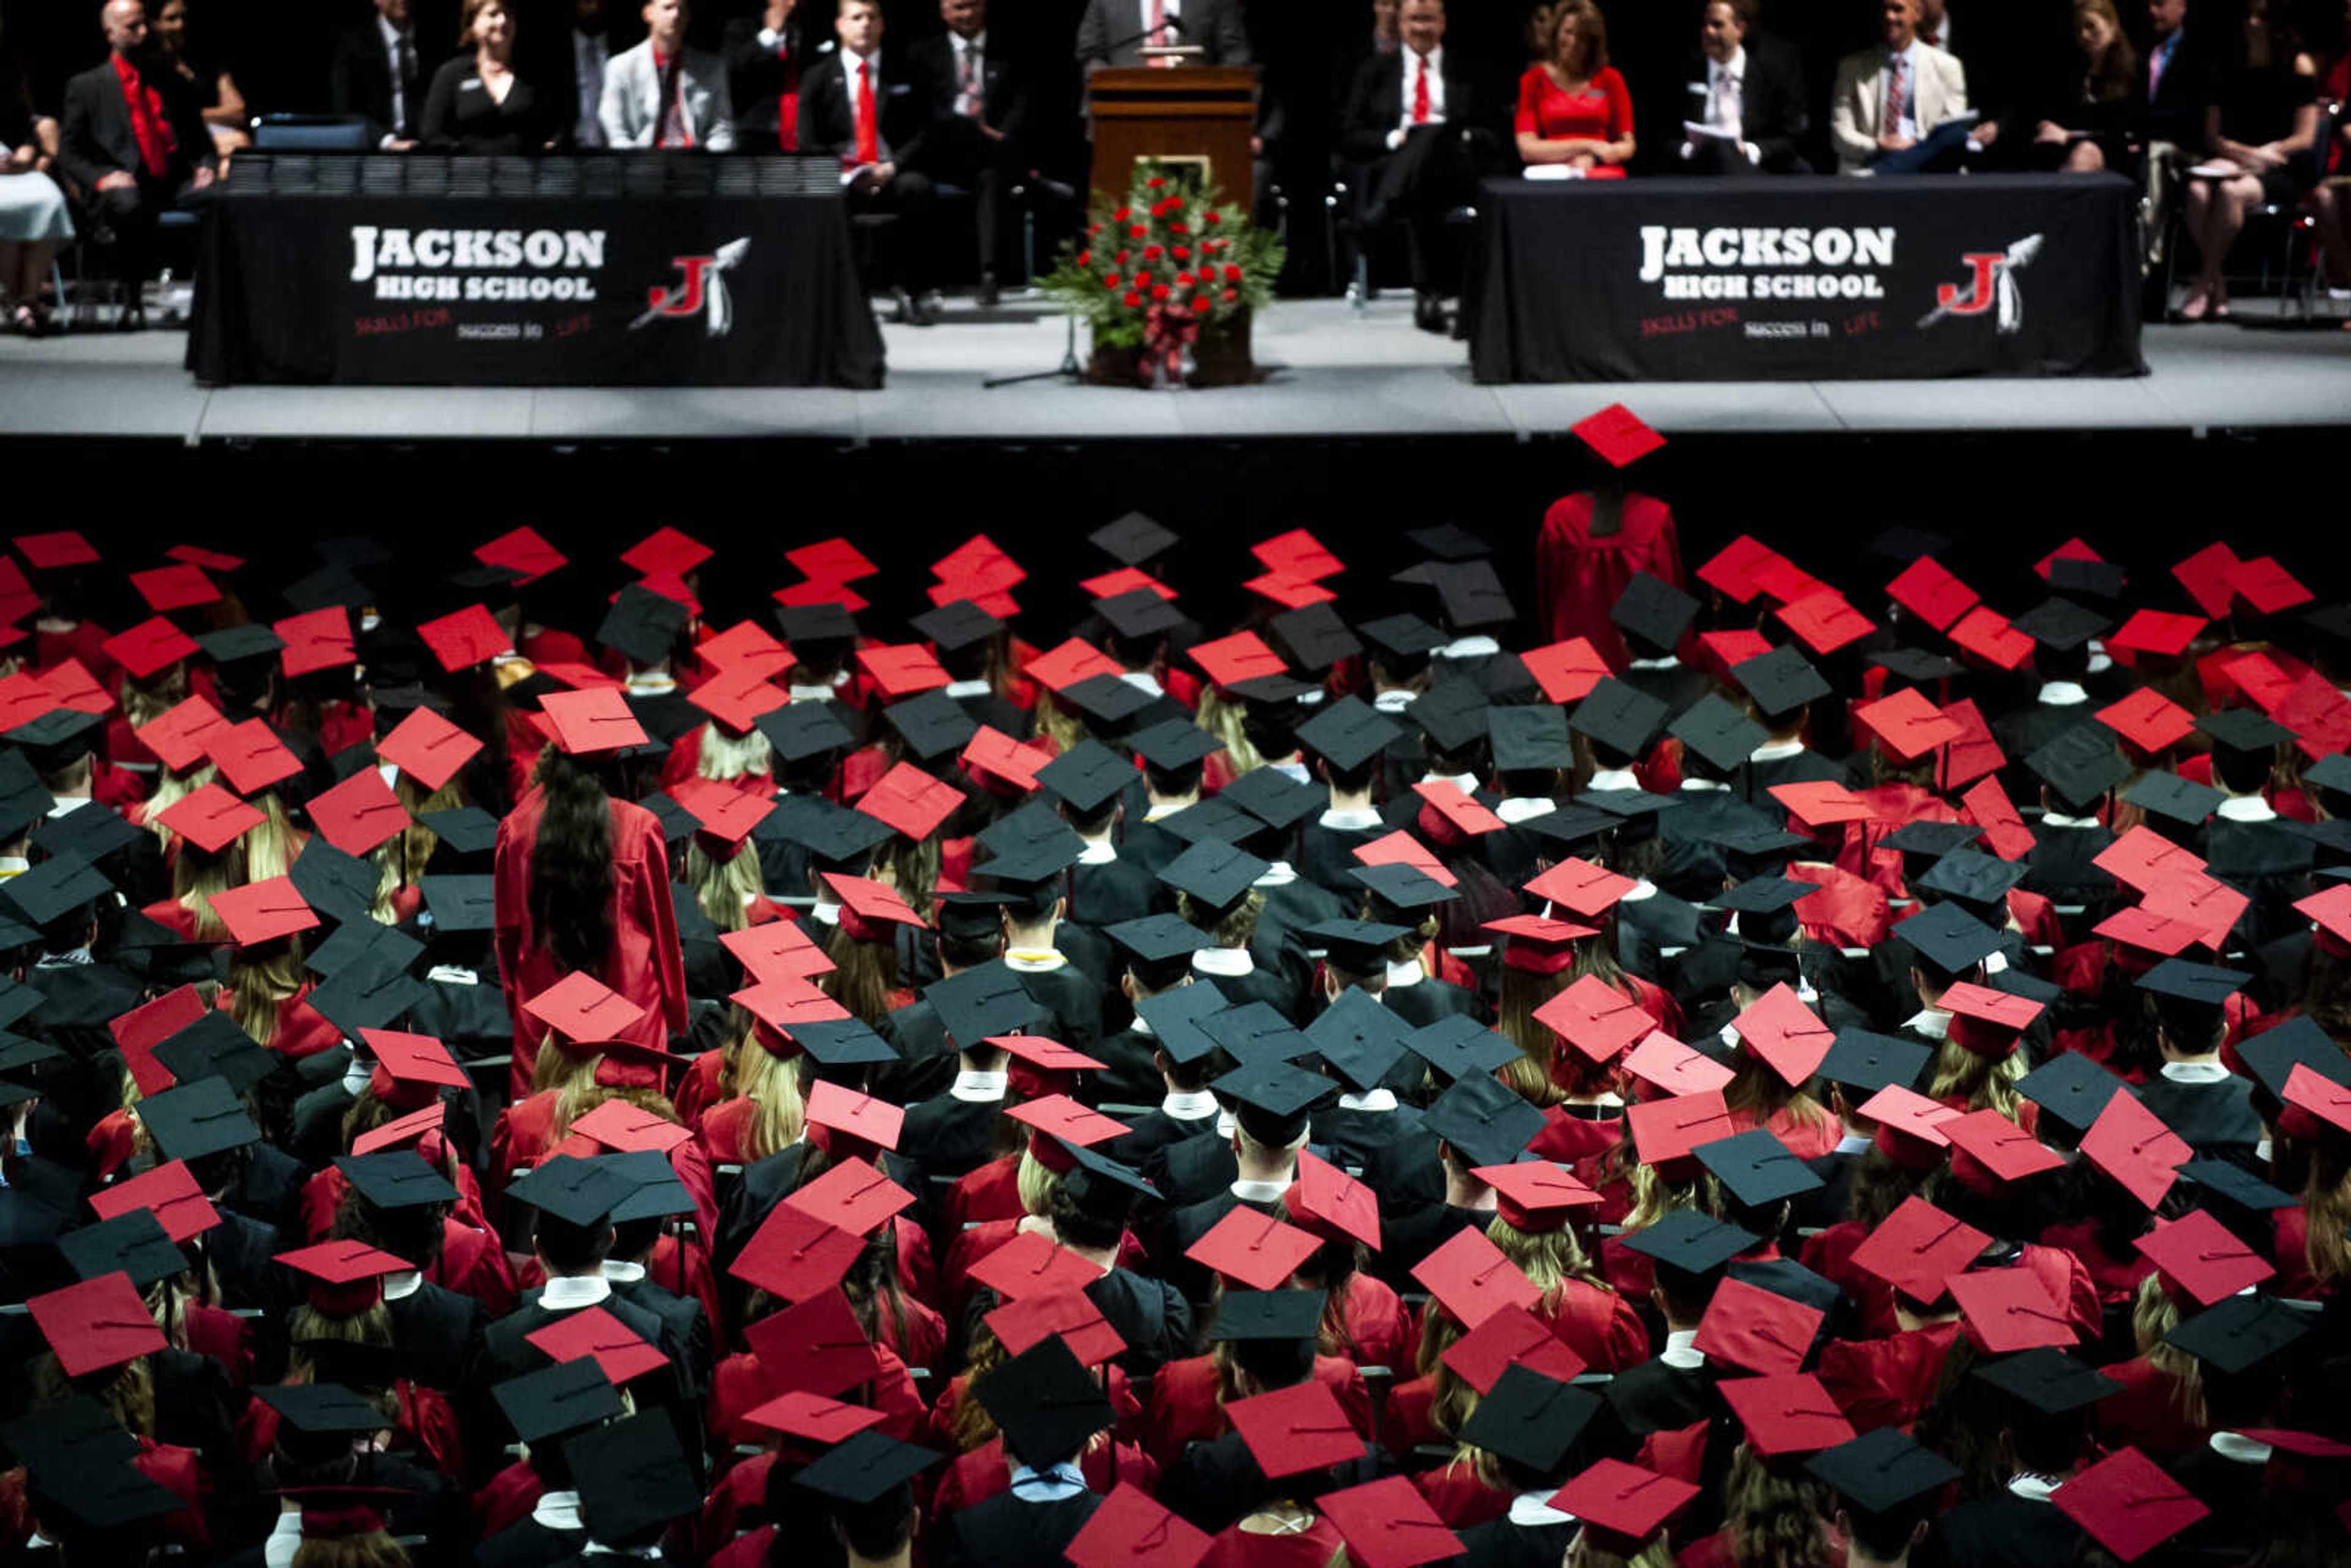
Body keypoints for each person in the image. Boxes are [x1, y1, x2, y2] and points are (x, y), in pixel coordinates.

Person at [57, 0, 216, 327]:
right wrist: (102, 179)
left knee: (222, 197)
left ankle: (216, 299)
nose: (144, 33)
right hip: (124, 183)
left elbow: (201, 143)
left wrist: (206, 166)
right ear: (110, 33)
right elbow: (69, 152)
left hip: (172, 181)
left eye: (145, 24)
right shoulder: (88, 86)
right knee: (128, 203)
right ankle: (132, 297)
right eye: (132, 27)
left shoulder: (172, 81)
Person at [1339, 0, 1494, 334]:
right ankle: (1432, 294)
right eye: (1413, 20)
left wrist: (1453, 135)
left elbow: (1493, 131)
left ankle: (1383, 209)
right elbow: (1350, 134)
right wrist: (1395, 139)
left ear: (1443, 22)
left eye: (1428, 19)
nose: (1421, 28)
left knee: (1434, 135)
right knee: (1423, 187)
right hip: (1398, 166)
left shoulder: (1465, 70)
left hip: (1457, 167)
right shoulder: (1375, 71)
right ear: (1401, 23)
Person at [2176, 0, 2318, 320]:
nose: (2253, 24)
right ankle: (2218, 282)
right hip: (2236, 155)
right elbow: (2214, 138)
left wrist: (2268, 153)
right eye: (2249, 16)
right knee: (2199, 189)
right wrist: (2246, 155)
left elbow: (2305, 137)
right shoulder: (2224, 65)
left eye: (2261, 17)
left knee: (2229, 193)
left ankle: (2204, 282)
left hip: (2282, 163)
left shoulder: (2298, 65)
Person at [800, 0, 936, 323]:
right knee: (819, 197)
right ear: (840, 25)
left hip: (890, 170)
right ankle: (836, 297)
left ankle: (914, 292)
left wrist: (891, 167)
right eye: (856, 17)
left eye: (871, 17)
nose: (864, 24)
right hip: (842, 176)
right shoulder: (818, 77)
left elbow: (924, 131)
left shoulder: (905, 72)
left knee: (918, 188)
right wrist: (849, 173)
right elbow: (808, 142)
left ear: (882, 25)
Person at [907, 0, 1029, 306]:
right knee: (915, 183)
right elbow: (917, 111)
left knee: (990, 176)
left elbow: (1023, 101)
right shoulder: (921, 55)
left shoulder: (1009, 50)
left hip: (992, 151)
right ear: (944, 12)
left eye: (973, 5)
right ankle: (924, 280)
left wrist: (1004, 134)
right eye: (959, 7)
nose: (967, 14)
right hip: (937, 152)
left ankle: (989, 274)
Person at [1828, 0, 1987, 173]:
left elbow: (1951, 133)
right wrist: (1878, 144)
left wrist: (1914, 147)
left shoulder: (1948, 67)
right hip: (1866, 166)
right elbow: (1840, 133)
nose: (1889, 16)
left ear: (1917, 14)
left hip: (1926, 172)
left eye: (1898, 9)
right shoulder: (1852, 67)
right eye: (1885, 9)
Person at [1679, 0, 1809, 173]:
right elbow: (1666, 133)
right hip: (1698, 169)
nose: (1708, 31)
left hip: (1755, 168)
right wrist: (1687, 149)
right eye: (1705, 25)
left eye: (1717, 25)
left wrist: (1751, 150)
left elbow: (1792, 133)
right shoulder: (1689, 70)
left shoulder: (1771, 71)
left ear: (1739, 29)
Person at [1512, 0, 1634, 178]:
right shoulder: (1533, 81)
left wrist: (1595, 157)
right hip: (1552, 175)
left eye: (1583, 37)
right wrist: (1589, 146)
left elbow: (1627, 145)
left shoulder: (1611, 79)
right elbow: (1527, 148)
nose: (1574, 42)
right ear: (1556, 34)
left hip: (1601, 174)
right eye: (1568, 32)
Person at [422, 0, 561, 154]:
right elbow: (432, 134)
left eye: (508, 15)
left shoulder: (534, 75)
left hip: (524, 175)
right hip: (467, 175)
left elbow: (556, 129)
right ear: (472, 23)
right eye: (493, 14)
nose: (503, 20)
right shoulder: (451, 74)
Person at [0, 36, 70, 337]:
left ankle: (26, 299)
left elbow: (23, 121)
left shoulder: (7, 74)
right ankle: (16, 299)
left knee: (48, 200)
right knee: (6, 208)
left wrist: (29, 149)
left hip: (16, 167)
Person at [600, 0, 737, 150]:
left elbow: (722, 129)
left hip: (698, 163)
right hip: (642, 162)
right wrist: (637, 165)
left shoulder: (712, 68)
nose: (676, 15)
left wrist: (708, 164)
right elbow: (615, 131)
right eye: (667, 8)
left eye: (682, 10)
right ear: (648, 13)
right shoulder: (620, 67)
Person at [2028, 0, 2143, 173]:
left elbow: (2125, 133)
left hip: (2116, 156)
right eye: (2079, 29)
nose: (2084, 35)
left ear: (2112, 25)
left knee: (2085, 154)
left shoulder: (2134, 72)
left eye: (2091, 26)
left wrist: (2069, 137)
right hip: (2071, 152)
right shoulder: (2075, 73)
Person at [149, 0, 245, 159]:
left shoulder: (206, 63)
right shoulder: (151, 67)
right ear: (156, 24)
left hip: (211, 132)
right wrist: (212, 115)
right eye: (171, 19)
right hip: (174, 140)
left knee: (239, 143)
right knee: (234, 143)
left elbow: (238, 113)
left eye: (184, 18)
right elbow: (164, 119)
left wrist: (191, 115)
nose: (180, 25)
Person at [332, 0, 432, 151]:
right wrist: (385, 140)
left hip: (426, 151)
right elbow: (343, 108)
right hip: (373, 151)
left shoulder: (433, 41)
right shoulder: (354, 45)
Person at [722, 0, 806, 153]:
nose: (793, 4)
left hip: (803, 133)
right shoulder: (742, 28)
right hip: (757, 132)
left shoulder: (809, 32)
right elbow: (731, 72)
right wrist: (769, 35)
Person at [1074, 0, 1251, 70]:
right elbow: (1089, 53)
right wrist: (1112, 85)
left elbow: (1236, 53)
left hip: (1198, 112)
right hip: (1120, 112)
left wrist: (1214, 90)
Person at [564, 0, 613, 148]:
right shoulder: (554, 54)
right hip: (569, 151)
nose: (594, 7)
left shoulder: (625, 49)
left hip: (618, 152)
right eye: (587, 1)